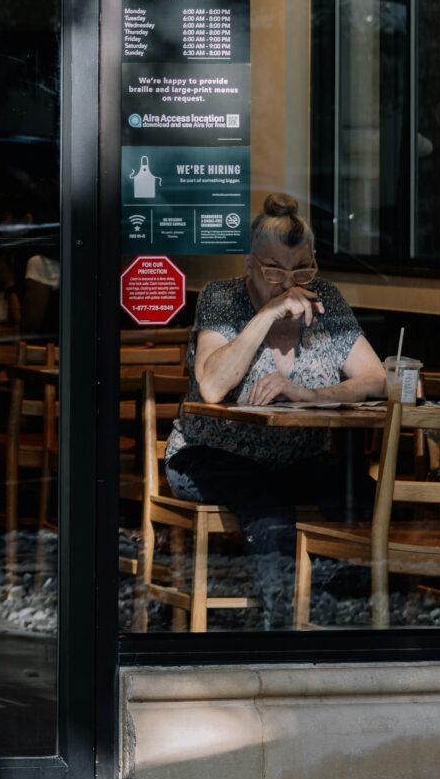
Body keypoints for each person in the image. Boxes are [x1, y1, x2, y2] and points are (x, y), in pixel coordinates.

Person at [162, 191, 385, 626]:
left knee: (367, 496)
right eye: (274, 270)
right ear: (249, 264)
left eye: (303, 267)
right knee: (266, 502)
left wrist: (311, 395)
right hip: (210, 456)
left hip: (296, 457)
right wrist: (266, 314)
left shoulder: (326, 301)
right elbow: (211, 386)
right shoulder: (222, 298)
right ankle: (281, 626)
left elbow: (376, 378)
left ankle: (341, 610)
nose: (290, 280)